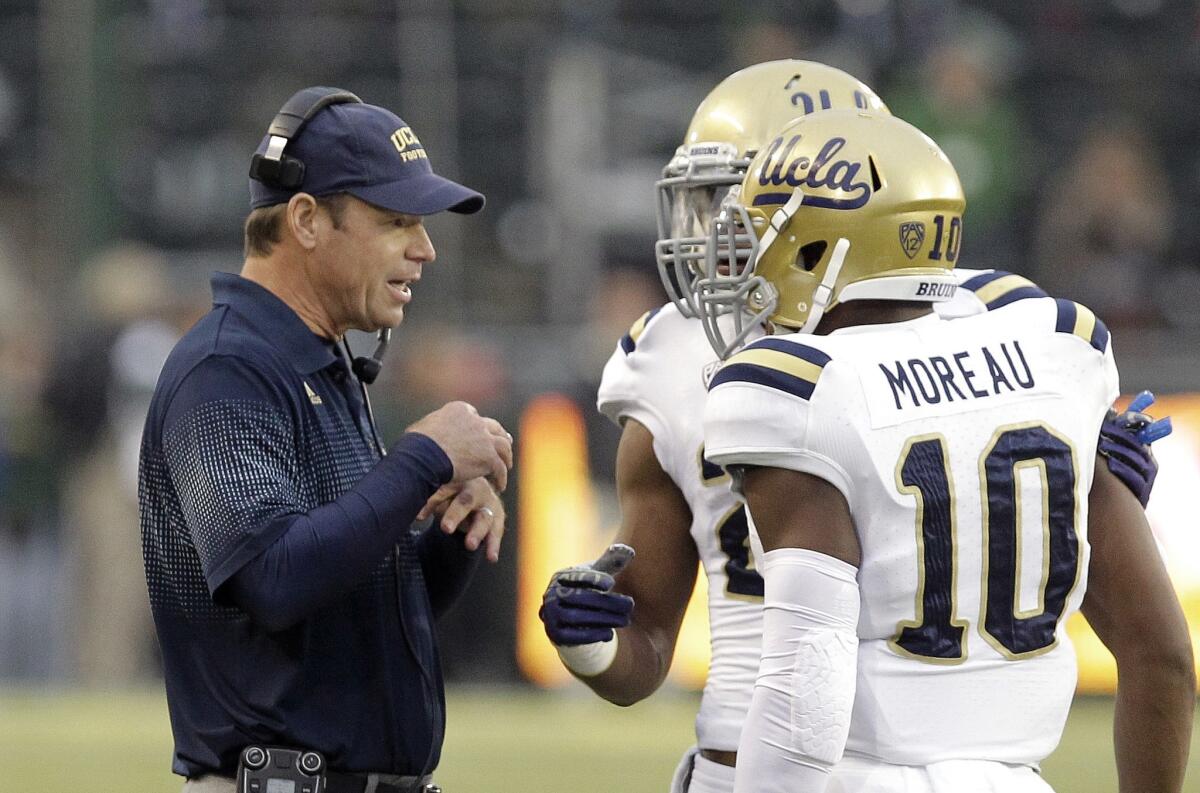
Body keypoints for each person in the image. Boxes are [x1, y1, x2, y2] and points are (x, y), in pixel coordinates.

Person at [537, 61, 1168, 793]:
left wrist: (1081, 492)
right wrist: (590, 643)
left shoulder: (981, 322)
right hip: (745, 760)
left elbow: (1061, 586)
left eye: (735, 202)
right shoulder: (671, 353)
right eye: (710, 205)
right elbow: (643, 647)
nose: (713, 233)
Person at [700, 109, 1194, 792]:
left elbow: (802, 698)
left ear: (823, 249)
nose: (747, 263)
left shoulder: (802, 389)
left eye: (764, 237)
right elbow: (1163, 655)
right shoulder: (1056, 349)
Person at [138, 87, 513, 793]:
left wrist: (450, 528)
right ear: (307, 219)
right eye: (397, 219)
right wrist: (421, 459)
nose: (425, 248)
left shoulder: (315, 358)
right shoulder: (227, 367)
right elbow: (273, 579)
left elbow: (352, 619)